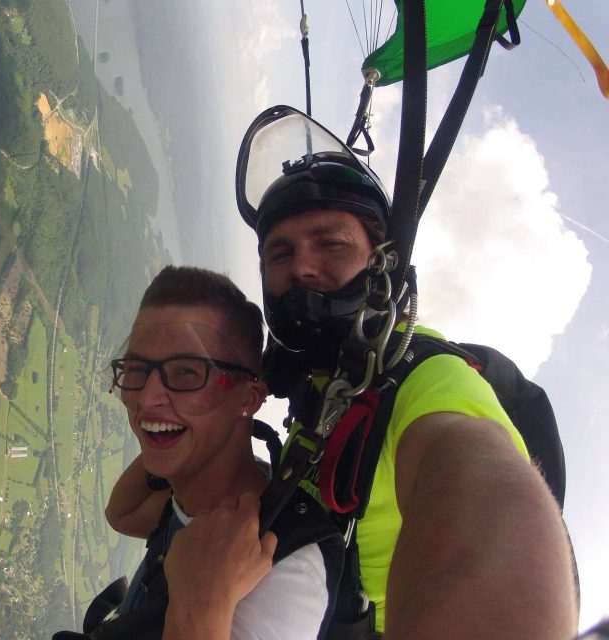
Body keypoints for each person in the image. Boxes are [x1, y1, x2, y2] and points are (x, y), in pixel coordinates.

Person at [108, 109, 578, 639]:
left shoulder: (428, 381)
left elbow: (494, 509)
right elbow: (126, 512)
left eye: (330, 243)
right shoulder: (320, 379)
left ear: (381, 263)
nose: (302, 266)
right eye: (279, 253)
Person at [99, 265, 342, 640]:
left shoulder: (287, 574)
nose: (145, 400)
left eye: (186, 373)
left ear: (249, 398)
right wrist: (186, 431)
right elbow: (121, 513)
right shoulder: (183, 501)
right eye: (135, 370)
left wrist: (203, 601)